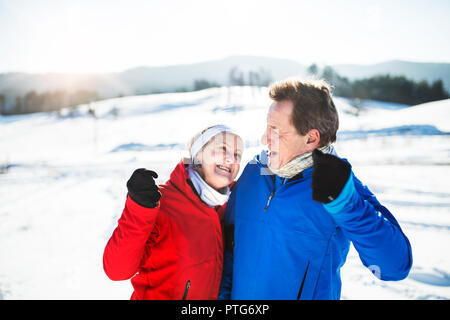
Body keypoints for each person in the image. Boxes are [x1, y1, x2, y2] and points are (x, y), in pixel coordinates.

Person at [219, 78, 412, 300]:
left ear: (311, 138)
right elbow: (228, 246)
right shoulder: (255, 172)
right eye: (266, 126)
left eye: (275, 130)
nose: (264, 139)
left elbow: (395, 267)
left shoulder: (339, 185)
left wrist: (347, 206)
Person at [103, 125, 244, 299]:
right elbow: (116, 270)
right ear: (198, 154)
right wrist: (139, 208)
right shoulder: (162, 203)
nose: (231, 158)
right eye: (222, 149)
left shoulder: (230, 207)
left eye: (237, 155)